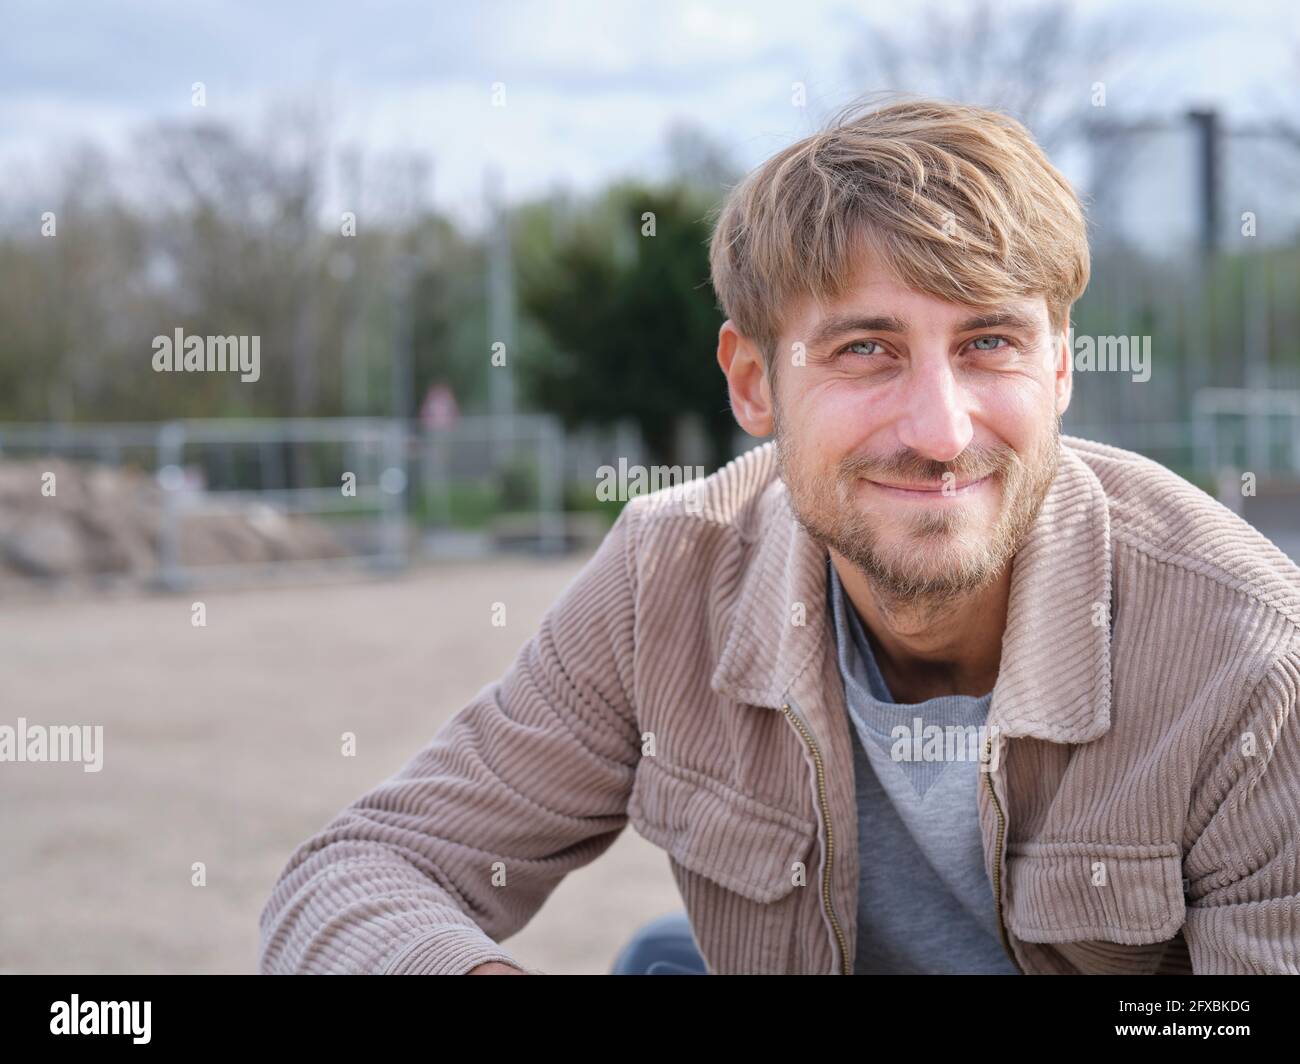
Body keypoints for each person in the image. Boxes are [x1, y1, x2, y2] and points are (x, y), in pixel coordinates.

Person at [259, 95, 1300, 975]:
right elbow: (361, 869)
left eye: (988, 342)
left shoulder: (1249, 655)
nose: (940, 432)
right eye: (865, 350)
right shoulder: (664, 576)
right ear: (755, 382)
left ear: (1060, 368)